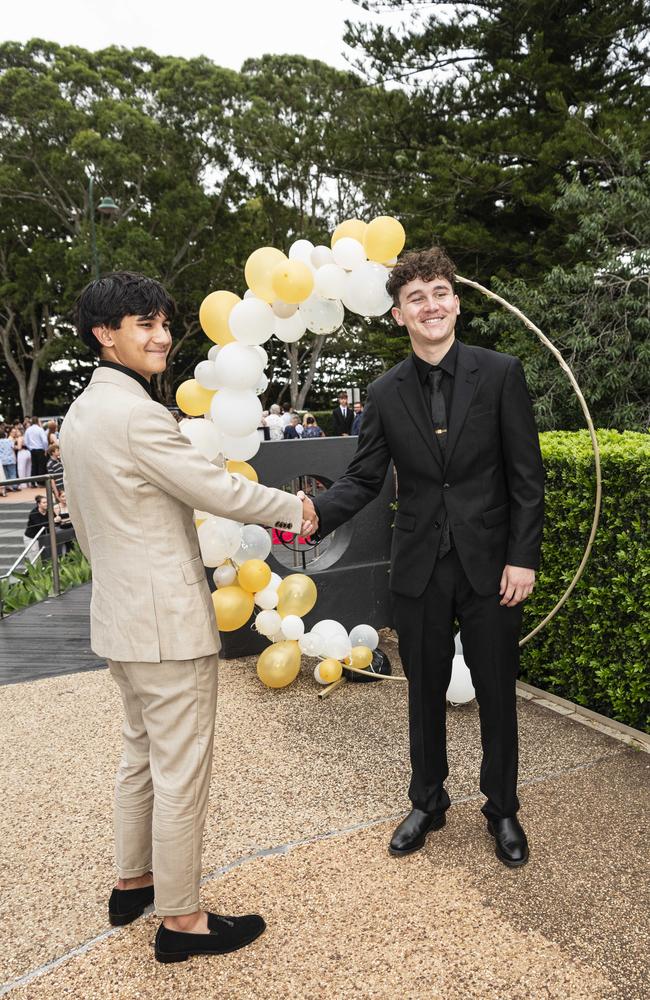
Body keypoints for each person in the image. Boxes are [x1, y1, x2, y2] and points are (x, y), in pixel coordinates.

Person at [59, 271, 314, 964]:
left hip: (119, 618)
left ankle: (132, 883)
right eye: (144, 323)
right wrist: (294, 507)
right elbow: (212, 486)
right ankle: (183, 922)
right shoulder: (137, 414)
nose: (163, 334)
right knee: (180, 771)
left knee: (139, 757)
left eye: (164, 321)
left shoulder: (80, 414)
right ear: (104, 334)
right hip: (165, 623)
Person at [302, 247, 544, 869]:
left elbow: (526, 478)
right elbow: (363, 479)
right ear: (398, 314)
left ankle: (502, 807)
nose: (431, 305)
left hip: (493, 565)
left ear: (456, 301)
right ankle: (427, 800)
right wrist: (312, 513)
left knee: (495, 689)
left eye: (440, 293)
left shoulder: (500, 373)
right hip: (417, 564)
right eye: (417, 298)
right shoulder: (383, 393)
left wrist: (522, 558)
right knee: (424, 690)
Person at [24, 417, 48, 484]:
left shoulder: (28, 430)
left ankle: (33, 482)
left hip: (32, 450)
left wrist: (30, 448)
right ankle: (40, 482)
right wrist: (45, 449)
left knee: (34, 466)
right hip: (40, 449)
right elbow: (44, 441)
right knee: (41, 465)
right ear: (37, 421)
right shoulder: (40, 429)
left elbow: (26, 441)